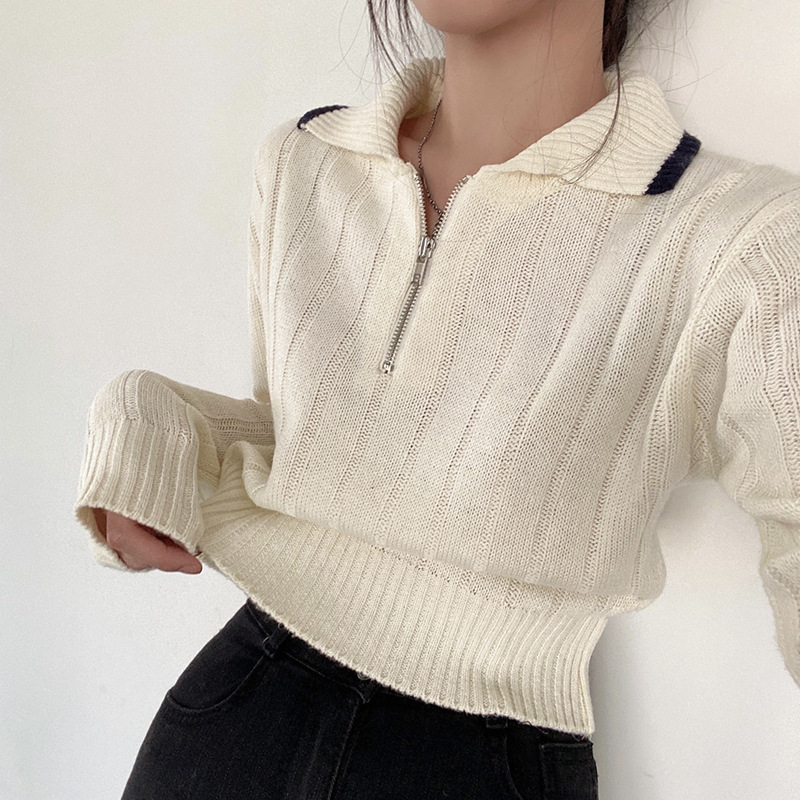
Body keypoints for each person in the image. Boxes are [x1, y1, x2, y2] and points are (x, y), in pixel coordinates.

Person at [73, 1, 800, 798]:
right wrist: (142, 421)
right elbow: (311, 452)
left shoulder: (733, 240)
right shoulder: (306, 161)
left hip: (481, 759)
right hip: (236, 718)